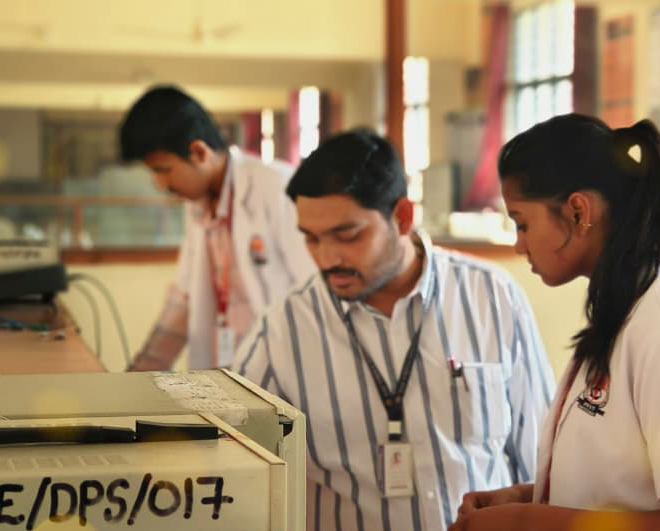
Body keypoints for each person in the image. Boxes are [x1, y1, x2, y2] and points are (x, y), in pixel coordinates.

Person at [232, 129, 555, 531]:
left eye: (347, 236)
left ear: (402, 217)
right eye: (311, 239)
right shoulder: (283, 331)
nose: (327, 258)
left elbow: (539, 455)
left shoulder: (491, 296)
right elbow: (236, 469)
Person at [449, 113, 660, 531]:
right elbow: (622, 488)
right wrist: (531, 495)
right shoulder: (617, 311)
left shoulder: (653, 323)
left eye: (522, 224)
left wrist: (526, 520)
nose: (519, 244)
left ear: (578, 212)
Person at [120, 85, 316, 370]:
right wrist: (139, 374)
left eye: (163, 170)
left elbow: (315, 293)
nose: (160, 184)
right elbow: (184, 299)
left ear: (199, 152)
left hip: (284, 372)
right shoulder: (198, 205)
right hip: (230, 370)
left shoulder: (277, 187)